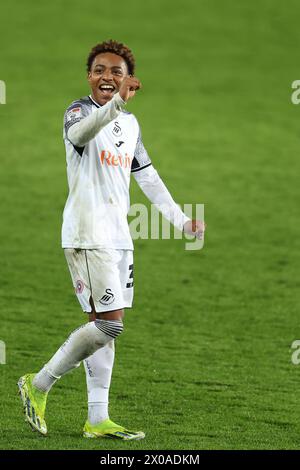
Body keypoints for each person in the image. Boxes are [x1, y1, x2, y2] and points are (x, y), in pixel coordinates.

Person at [18, 40, 205, 441]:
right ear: (89, 75)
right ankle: (40, 383)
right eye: (100, 70)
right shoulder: (77, 112)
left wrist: (180, 219)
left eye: (116, 72)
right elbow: (83, 134)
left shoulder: (130, 124)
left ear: (128, 79)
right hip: (87, 234)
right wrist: (114, 104)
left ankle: (97, 418)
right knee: (110, 325)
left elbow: (148, 176)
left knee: (104, 322)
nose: (108, 77)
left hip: (120, 237)